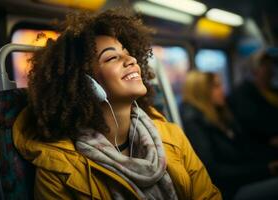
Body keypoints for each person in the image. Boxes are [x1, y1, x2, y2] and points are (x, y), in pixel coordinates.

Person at [12, 9, 221, 199]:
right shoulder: (59, 169)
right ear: (84, 83)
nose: (131, 60)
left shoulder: (171, 136)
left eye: (127, 52)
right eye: (112, 57)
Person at [179, 71, 278, 200]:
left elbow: (246, 150)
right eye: (216, 86)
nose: (222, 90)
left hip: (245, 180)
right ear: (202, 92)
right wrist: (266, 170)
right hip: (228, 191)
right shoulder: (195, 124)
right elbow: (213, 171)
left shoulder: (221, 116)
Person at [228, 48, 278, 159]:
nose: (269, 69)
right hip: (261, 150)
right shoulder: (243, 94)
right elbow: (249, 123)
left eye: (271, 64)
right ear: (254, 70)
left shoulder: (274, 91)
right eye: (264, 65)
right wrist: (268, 139)